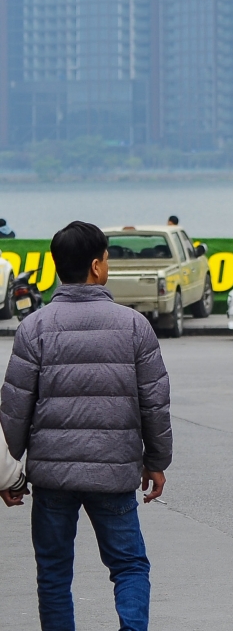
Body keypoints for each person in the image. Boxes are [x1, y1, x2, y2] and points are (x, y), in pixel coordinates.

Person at [1, 221, 172, 631]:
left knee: (54, 574)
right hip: (114, 473)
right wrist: (157, 460)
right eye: (108, 257)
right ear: (97, 266)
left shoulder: (34, 328)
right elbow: (155, 402)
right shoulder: (133, 326)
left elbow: (14, 407)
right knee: (129, 566)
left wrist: (10, 472)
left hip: (51, 477)